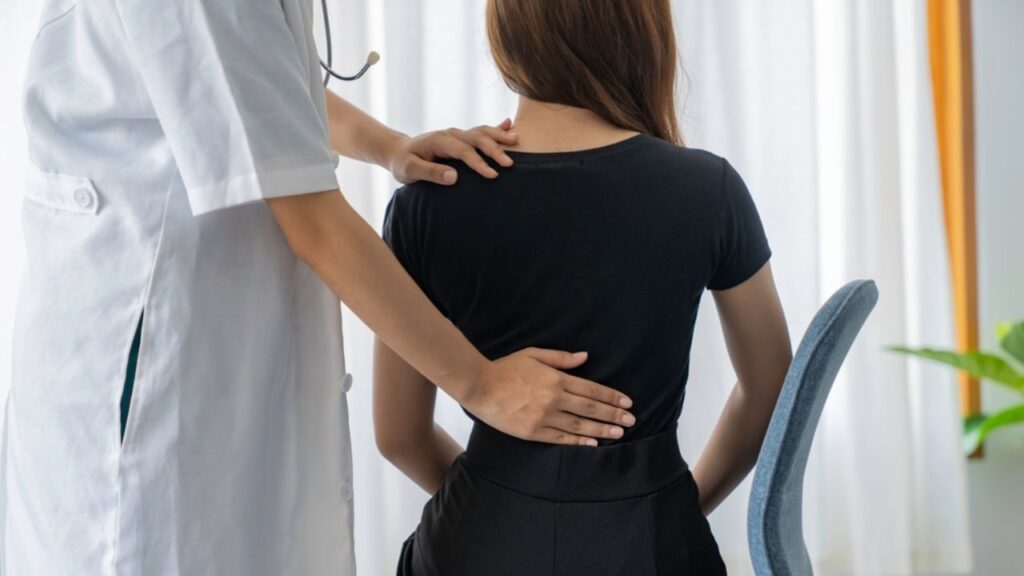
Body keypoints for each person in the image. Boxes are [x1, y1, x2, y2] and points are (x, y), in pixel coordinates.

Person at [1, 1, 639, 574]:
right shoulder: (704, 191)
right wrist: (482, 384)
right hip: (137, 361)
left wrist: (389, 147)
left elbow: (258, 82)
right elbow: (313, 222)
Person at [373, 1, 794, 574]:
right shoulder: (707, 189)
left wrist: (502, 497)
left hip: (469, 540)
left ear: (506, 34)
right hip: (650, 541)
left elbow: (399, 435)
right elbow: (771, 388)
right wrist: (679, 503)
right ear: (641, 30)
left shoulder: (427, 198)